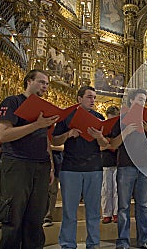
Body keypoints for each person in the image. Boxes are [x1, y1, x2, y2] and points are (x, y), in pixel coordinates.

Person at [0, 69, 59, 248]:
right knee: (13, 218)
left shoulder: (44, 107)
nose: (45, 87)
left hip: (41, 166)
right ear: (28, 81)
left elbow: (45, 140)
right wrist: (37, 124)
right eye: (41, 82)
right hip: (17, 164)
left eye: (47, 84)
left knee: (35, 219)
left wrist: (51, 167)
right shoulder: (12, 102)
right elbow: (3, 134)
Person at [52, 85, 109, 249]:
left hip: (94, 168)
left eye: (94, 97)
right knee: (70, 211)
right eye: (89, 97)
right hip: (71, 168)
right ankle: (68, 244)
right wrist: (68, 134)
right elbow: (54, 141)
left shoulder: (99, 117)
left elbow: (106, 144)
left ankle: (93, 244)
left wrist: (99, 137)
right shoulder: (67, 117)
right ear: (79, 98)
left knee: (93, 211)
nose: (93, 100)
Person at [109, 89, 147, 249]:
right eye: (139, 100)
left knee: (143, 206)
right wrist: (127, 130)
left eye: (144, 100)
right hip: (126, 166)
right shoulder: (122, 119)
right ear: (131, 102)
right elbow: (113, 144)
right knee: (123, 206)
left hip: (145, 165)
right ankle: (123, 241)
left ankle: (144, 240)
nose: (142, 103)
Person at [101, 105, 120, 224]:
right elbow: (100, 146)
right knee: (106, 189)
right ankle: (106, 213)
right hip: (106, 161)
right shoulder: (103, 128)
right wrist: (110, 145)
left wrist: (111, 144)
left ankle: (116, 213)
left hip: (118, 161)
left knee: (117, 189)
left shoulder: (120, 128)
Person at [43, 144, 64, 227]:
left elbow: (64, 146)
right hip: (40, 159)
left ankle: (47, 217)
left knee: (52, 190)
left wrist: (51, 147)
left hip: (57, 161)